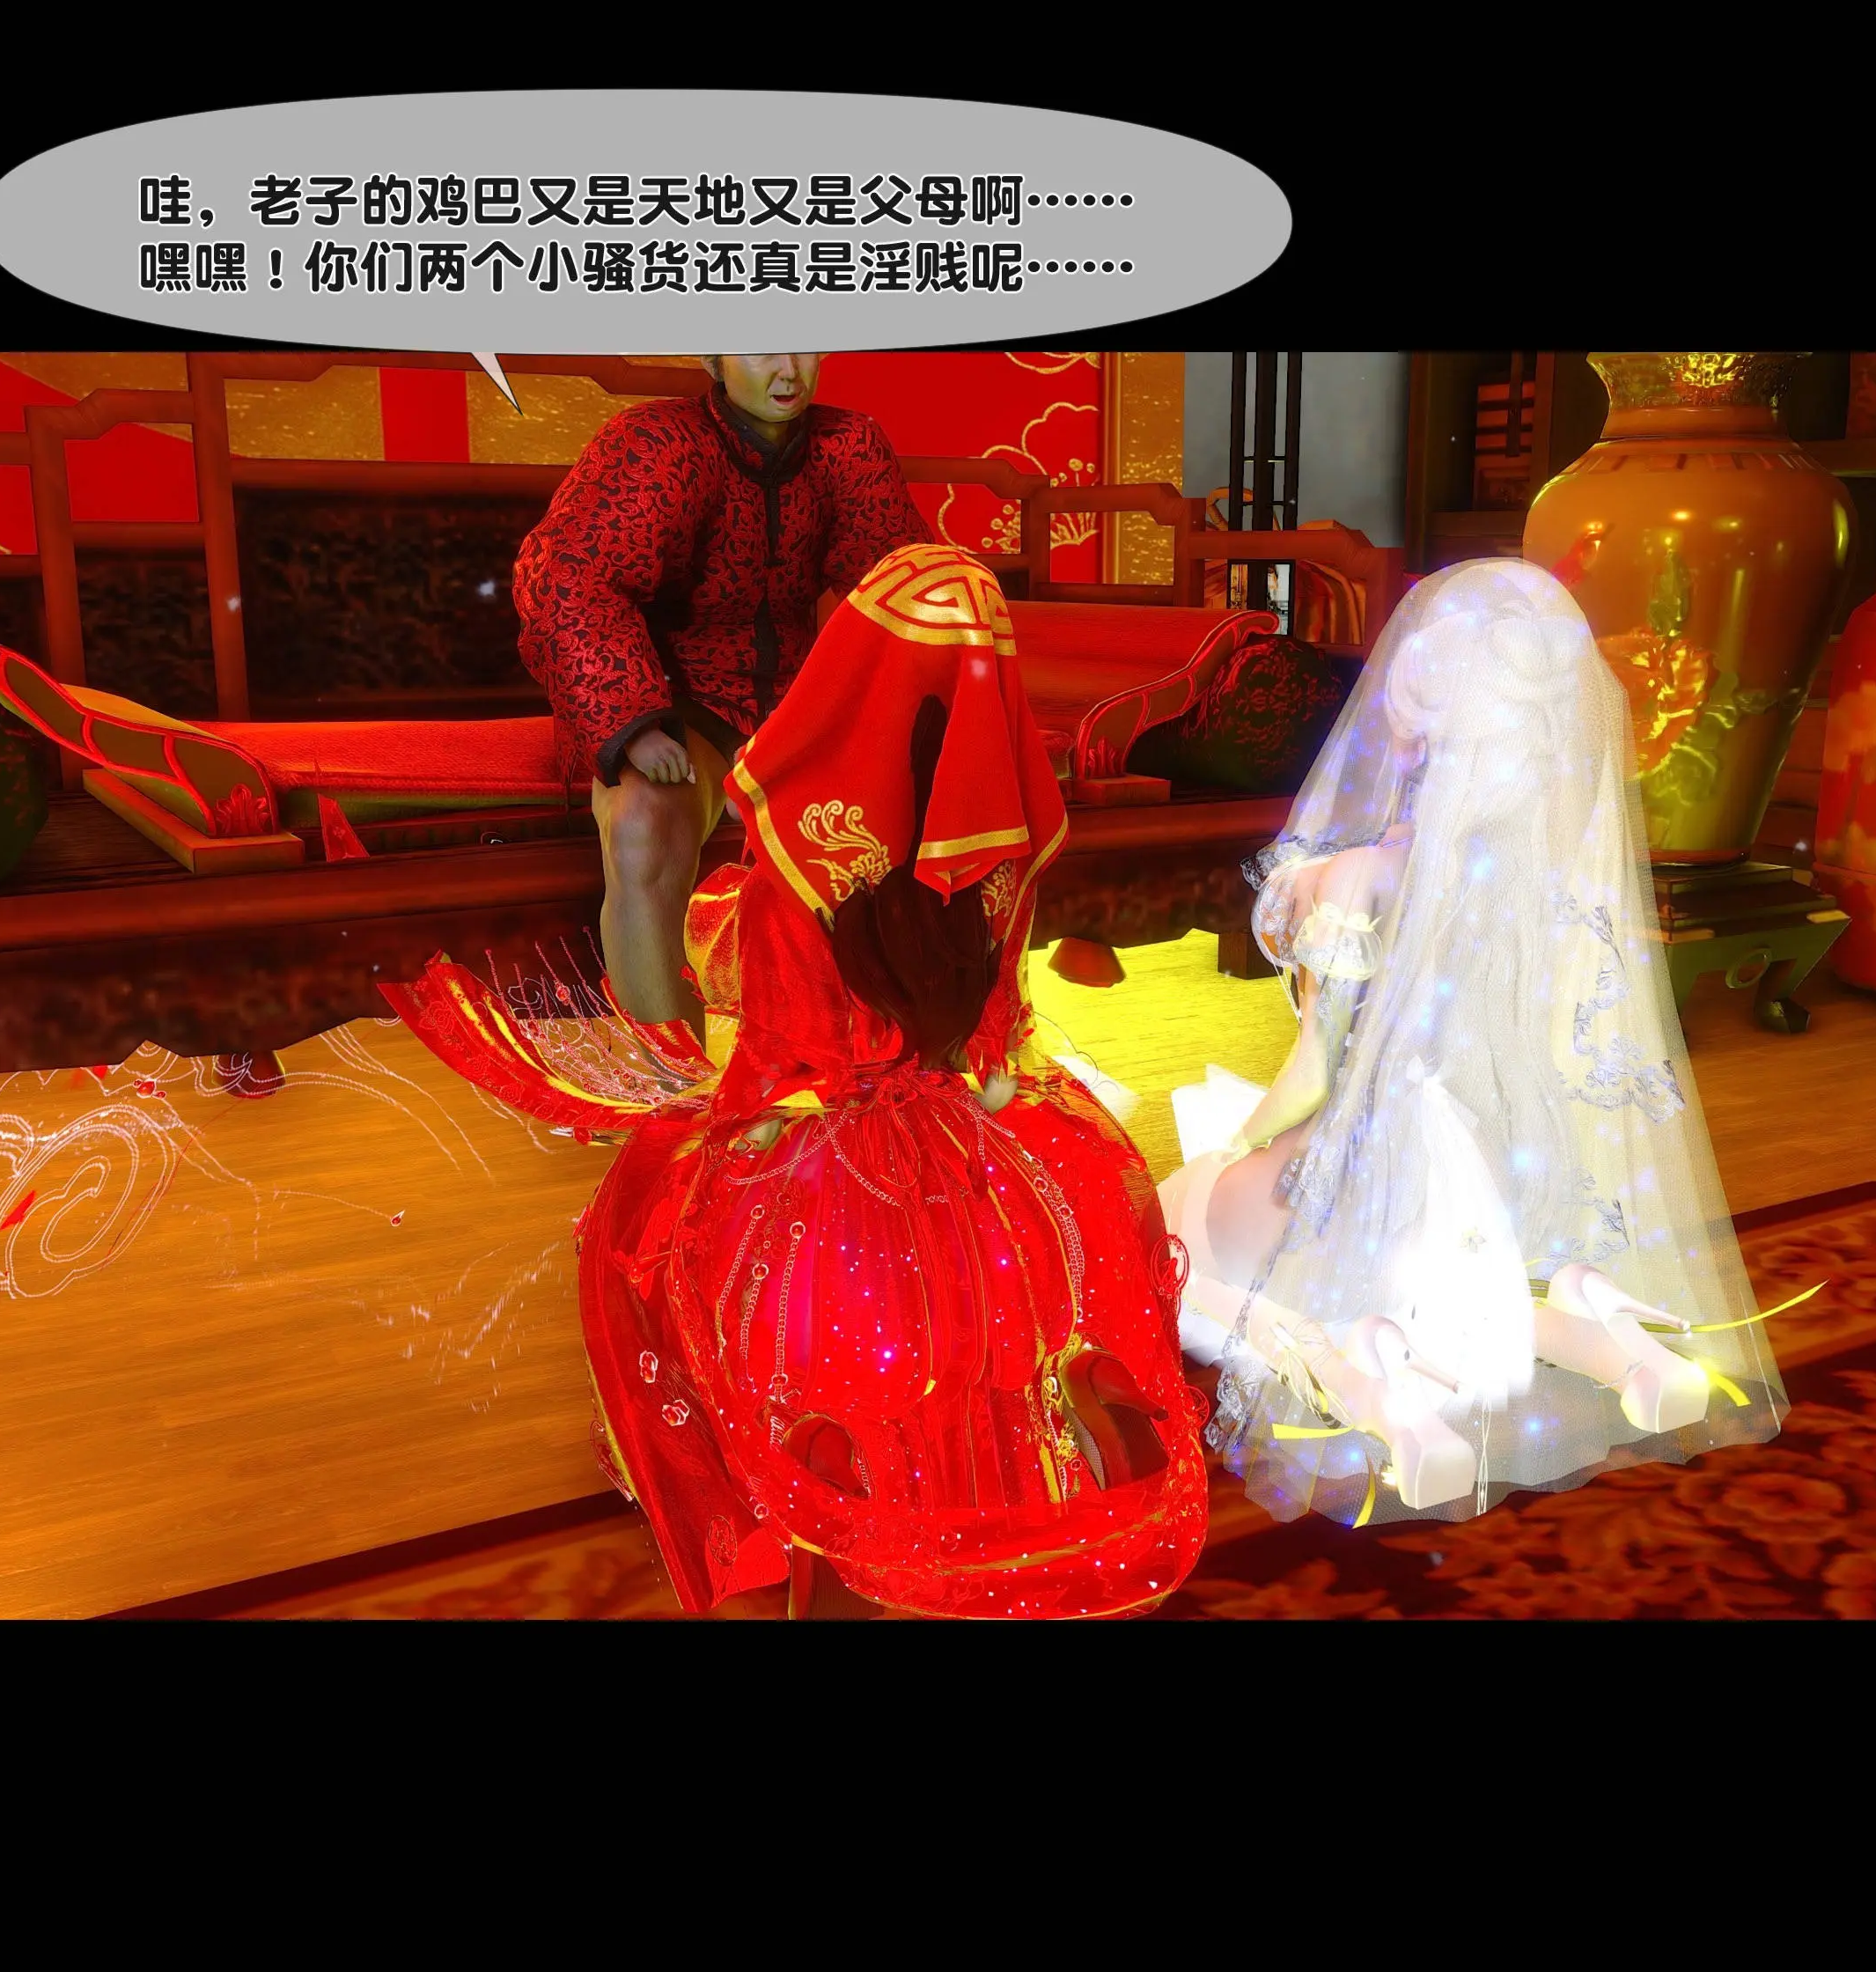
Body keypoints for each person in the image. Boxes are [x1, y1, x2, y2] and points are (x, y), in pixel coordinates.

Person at [392, 544, 1208, 1618]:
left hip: (824, 1170)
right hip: (988, 1149)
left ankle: (819, 1529)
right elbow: (997, 1035)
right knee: (1018, 1324)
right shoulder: (1005, 853)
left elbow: (770, 1032)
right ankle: (1018, 1493)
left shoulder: (796, 864)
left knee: (673, 1262)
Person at [1160, 558, 1788, 1528]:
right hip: (1502, 1152)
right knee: (1468, 1290)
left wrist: (1247, 1138)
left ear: (1413, 725)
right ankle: (1610, 1336)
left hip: (1379, 1153)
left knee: (1186, 1233)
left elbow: (1316, 1069)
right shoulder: (1533, 877)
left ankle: (1366, 1366)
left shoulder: (1357, 878)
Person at [513, 354, 927, 1035]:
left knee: (909, 803)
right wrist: (633, 725)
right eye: (761, 348)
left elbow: (897, 580)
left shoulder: (847, 446)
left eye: (805, 346)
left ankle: (876, 1060)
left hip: (797, 707)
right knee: (643, 822)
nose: (788, 371)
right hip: (674, 702)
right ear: (714, 357)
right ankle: (669, 1076)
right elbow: (569, 578)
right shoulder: (656, 443)